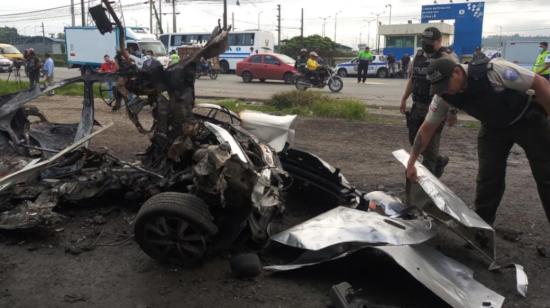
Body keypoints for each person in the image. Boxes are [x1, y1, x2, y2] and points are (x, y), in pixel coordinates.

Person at [406, 56, 550, 225]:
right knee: (488, 178)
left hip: (527, 121)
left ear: (458, 72)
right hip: (493, 128)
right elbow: (427, 129)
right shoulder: (443, 95)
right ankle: (483, 229)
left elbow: (540, 84)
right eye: (439, 88)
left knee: (546, 176)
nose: (444, 91)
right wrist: (411, 162)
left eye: (445, 85)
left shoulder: (494, 70)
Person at [399, 27, 457, 177]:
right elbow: (412, 79)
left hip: (436, 107)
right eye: (425, 41)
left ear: (439, 41)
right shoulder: (418, 56)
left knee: (430, 149)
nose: (427, 44)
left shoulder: (447, 57)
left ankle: (427, 187)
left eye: (431, 42)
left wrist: (451, 110)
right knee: (414, 140)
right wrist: (404, 98)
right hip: (417, 105)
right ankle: (438, 161)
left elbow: (453, 87)